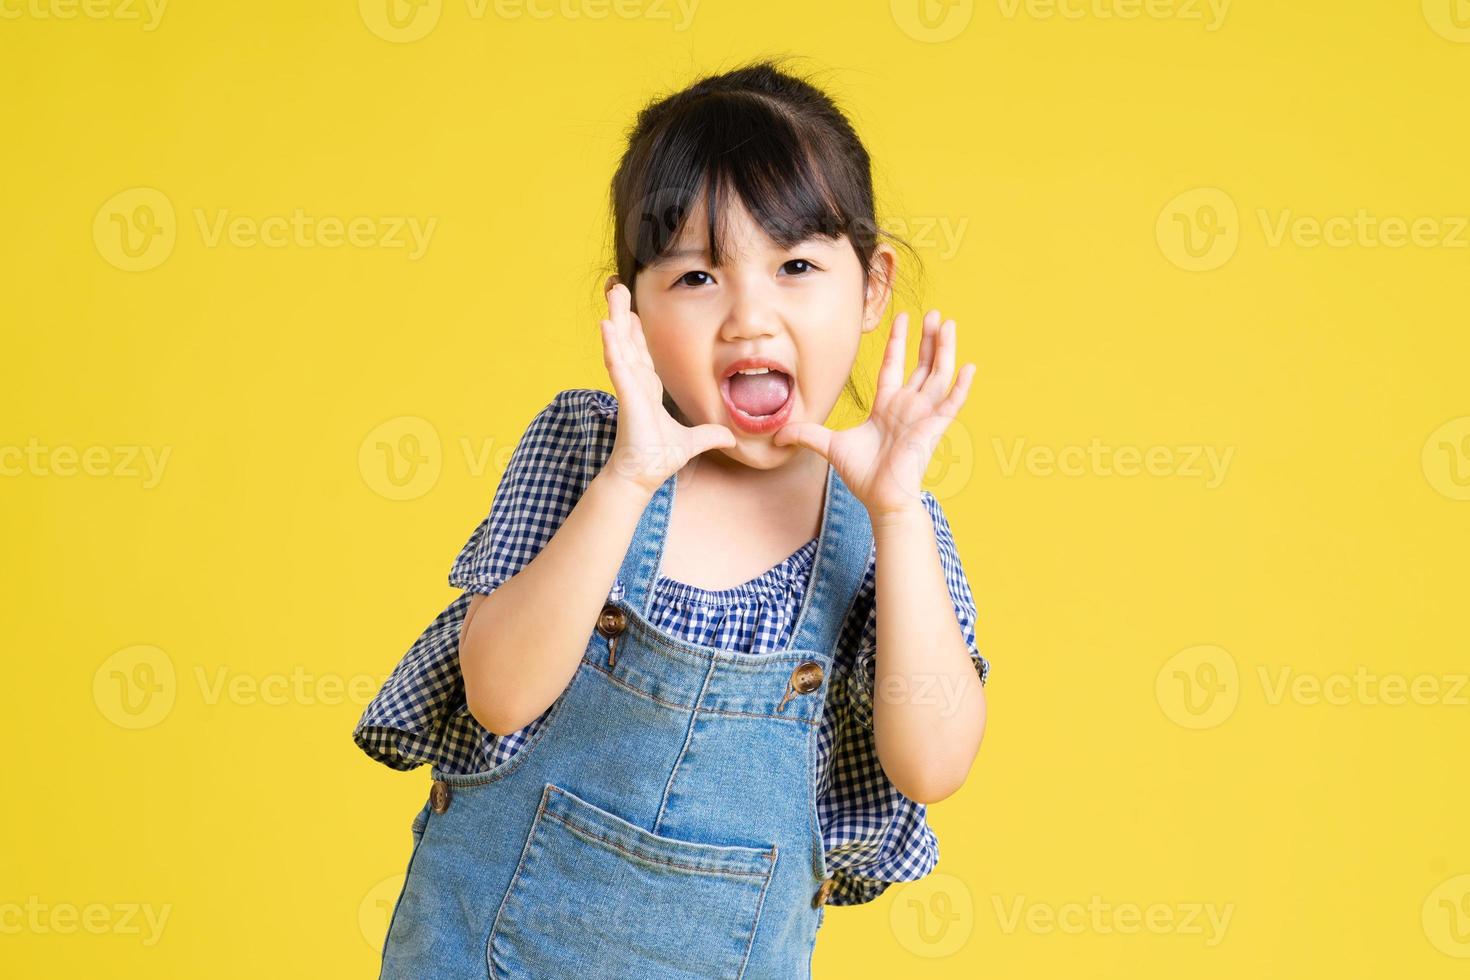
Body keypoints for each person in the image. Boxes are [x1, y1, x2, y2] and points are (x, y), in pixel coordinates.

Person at [353, 57, 990, 979]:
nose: (748, 318)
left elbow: (931, 765)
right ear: (634, 313)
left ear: (874, 287)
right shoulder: (585, 451)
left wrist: (894, 514)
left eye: (797, 266)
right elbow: (497, 691)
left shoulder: (887, 530)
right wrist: (627, 481)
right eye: (696, 277)